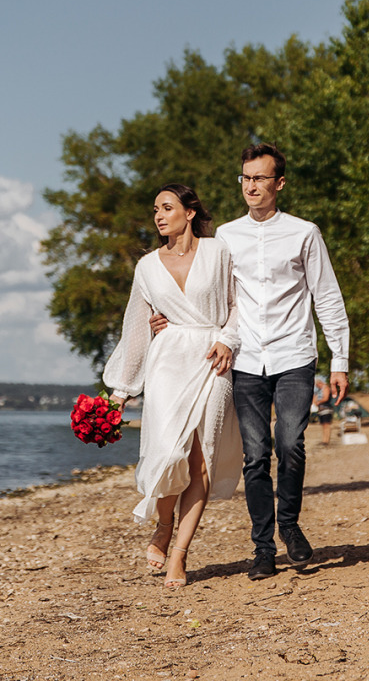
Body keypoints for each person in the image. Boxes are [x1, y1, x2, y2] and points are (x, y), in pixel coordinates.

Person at [151, 143, 351, 580]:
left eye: (260, 178)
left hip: (294, 354)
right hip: (244, 359)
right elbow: (211, 294)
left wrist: (340, 360)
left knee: (290, 445)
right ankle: (263, 548)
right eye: (245, 178)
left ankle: (290, 527)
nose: (251, 186)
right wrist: (169, 318)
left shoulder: (304, 233)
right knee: (255, 457)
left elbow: (328, 297)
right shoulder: (225, 236)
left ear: (279, 183)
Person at [102, 183, 242, 589]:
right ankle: (163, 526)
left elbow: (239, 304)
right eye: (155, 210)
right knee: (168, 452)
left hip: (213, 358)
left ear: (190, 212)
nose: (159, 215)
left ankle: (180, 553)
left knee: (201, 459)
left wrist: (228, 339)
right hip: (167, 362)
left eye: (167, 207)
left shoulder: (218, 251)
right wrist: (122, 390)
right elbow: (136, 329)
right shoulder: (146, 266)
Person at [312, 373, 336, 446]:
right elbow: (314, 398)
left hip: (326, 409)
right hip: (321, 410)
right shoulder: (319, 390)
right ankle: (324, 440)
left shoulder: (325, 388)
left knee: (326, 425)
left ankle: (326, 441)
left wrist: (318, 402)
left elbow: (325, 398)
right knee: (323, 425)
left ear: (319, 383)